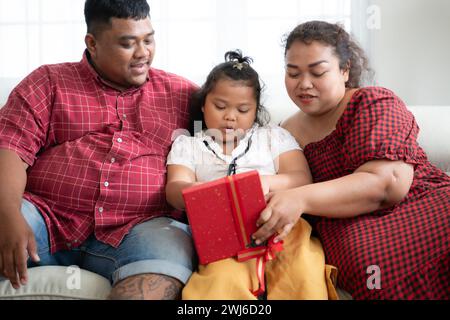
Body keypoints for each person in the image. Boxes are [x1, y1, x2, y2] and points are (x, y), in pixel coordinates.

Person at [0, 0, 198, 300]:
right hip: (46, 217)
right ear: (92, 43)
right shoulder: (48, 81)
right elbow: (10, 148)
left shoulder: (183, 95)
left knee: (164, 266)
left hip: (142, 228)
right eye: (128, 43)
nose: (143, 52)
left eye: (149, 39)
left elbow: (235, 139)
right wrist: (7, 213)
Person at [252, 21, 450, 299]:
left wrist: (300, 198)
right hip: (352, 239)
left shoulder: (372, 102)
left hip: (419, 208)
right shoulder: (283, 132)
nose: (304, 84)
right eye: (292, 73)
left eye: (318, 71)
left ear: (345, 70)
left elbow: (388, 185)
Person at [165, 50, 338, 300]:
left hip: (283, 227)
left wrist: (258, 184)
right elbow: (174, 189)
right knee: (218, 286)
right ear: (203, 104)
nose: (230, 117)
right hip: (223, 237)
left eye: (243, 110)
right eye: (220, 106)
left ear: (256, 110)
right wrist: (205, 192)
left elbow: (300, 178)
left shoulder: (271, 137)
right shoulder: (188, 145)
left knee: (302, 276)